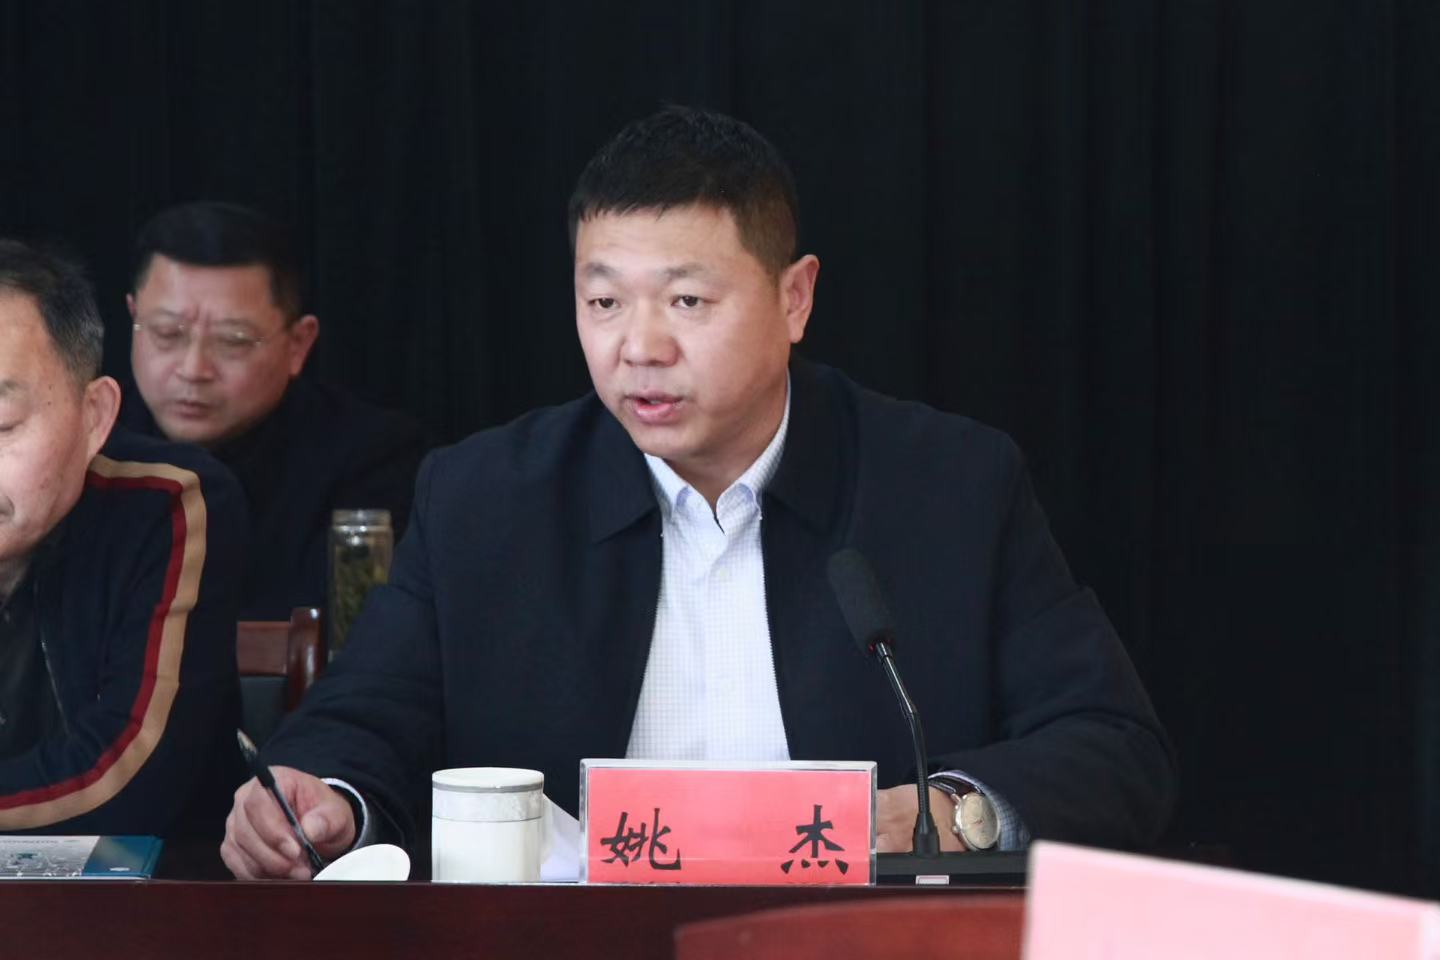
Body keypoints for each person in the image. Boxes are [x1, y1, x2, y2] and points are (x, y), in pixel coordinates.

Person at [221, 106, 1176, 880]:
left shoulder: (950, 486)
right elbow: (364, 721)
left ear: (794, 298)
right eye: (604, 302)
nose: (640, 347)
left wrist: (949, 811)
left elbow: (1114, 748)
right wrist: (322, 799)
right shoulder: (488, 498)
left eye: (687, 301)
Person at [0, 239, 246, 838]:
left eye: (1, 425)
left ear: (95, 417)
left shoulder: (165, 502)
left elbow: (127, 777)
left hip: (143, 889)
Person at [123, 202, 426, 620]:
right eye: (167, 333)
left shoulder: (372, 461)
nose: (193, 369)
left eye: (233, 341)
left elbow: (356, 636)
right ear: (133, 317)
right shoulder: (86, 445)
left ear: (298, 344)